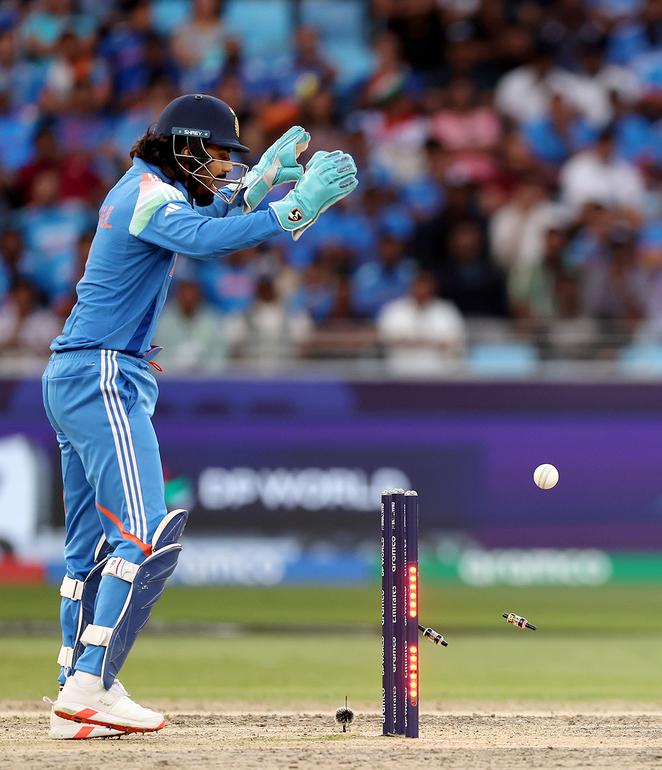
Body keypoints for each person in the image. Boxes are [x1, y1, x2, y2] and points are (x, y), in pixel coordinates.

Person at [43, 93, 358, 738]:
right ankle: (89, 683)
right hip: (103, 373)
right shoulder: (148, 194)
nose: (221, 167)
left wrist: (261, 183)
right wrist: (293, 207)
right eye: (215, 155)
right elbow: (207, 238)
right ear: (183, 147)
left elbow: (206, 211)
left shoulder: (150, 189)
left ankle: (75, 689)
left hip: (77, 372)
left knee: (86, 551)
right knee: (141, 532)